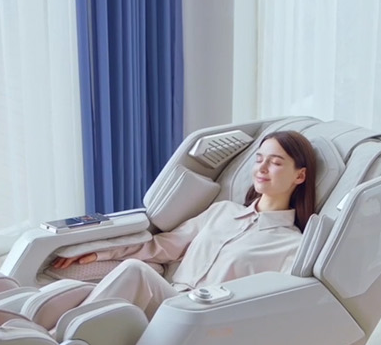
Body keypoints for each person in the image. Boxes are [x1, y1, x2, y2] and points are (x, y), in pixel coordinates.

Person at [52, 130, 318, 318]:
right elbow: (161, 247)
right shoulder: (222, 211)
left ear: (300, 175)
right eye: (259, 159)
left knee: (135, 272)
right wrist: (100, 252)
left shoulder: (291, 244)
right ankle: (45, 332)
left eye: (275, 163)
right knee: (71, 293)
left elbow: (275, 309)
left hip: (206, 322)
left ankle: (60, 342)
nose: (261, 168)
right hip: (170, 303)